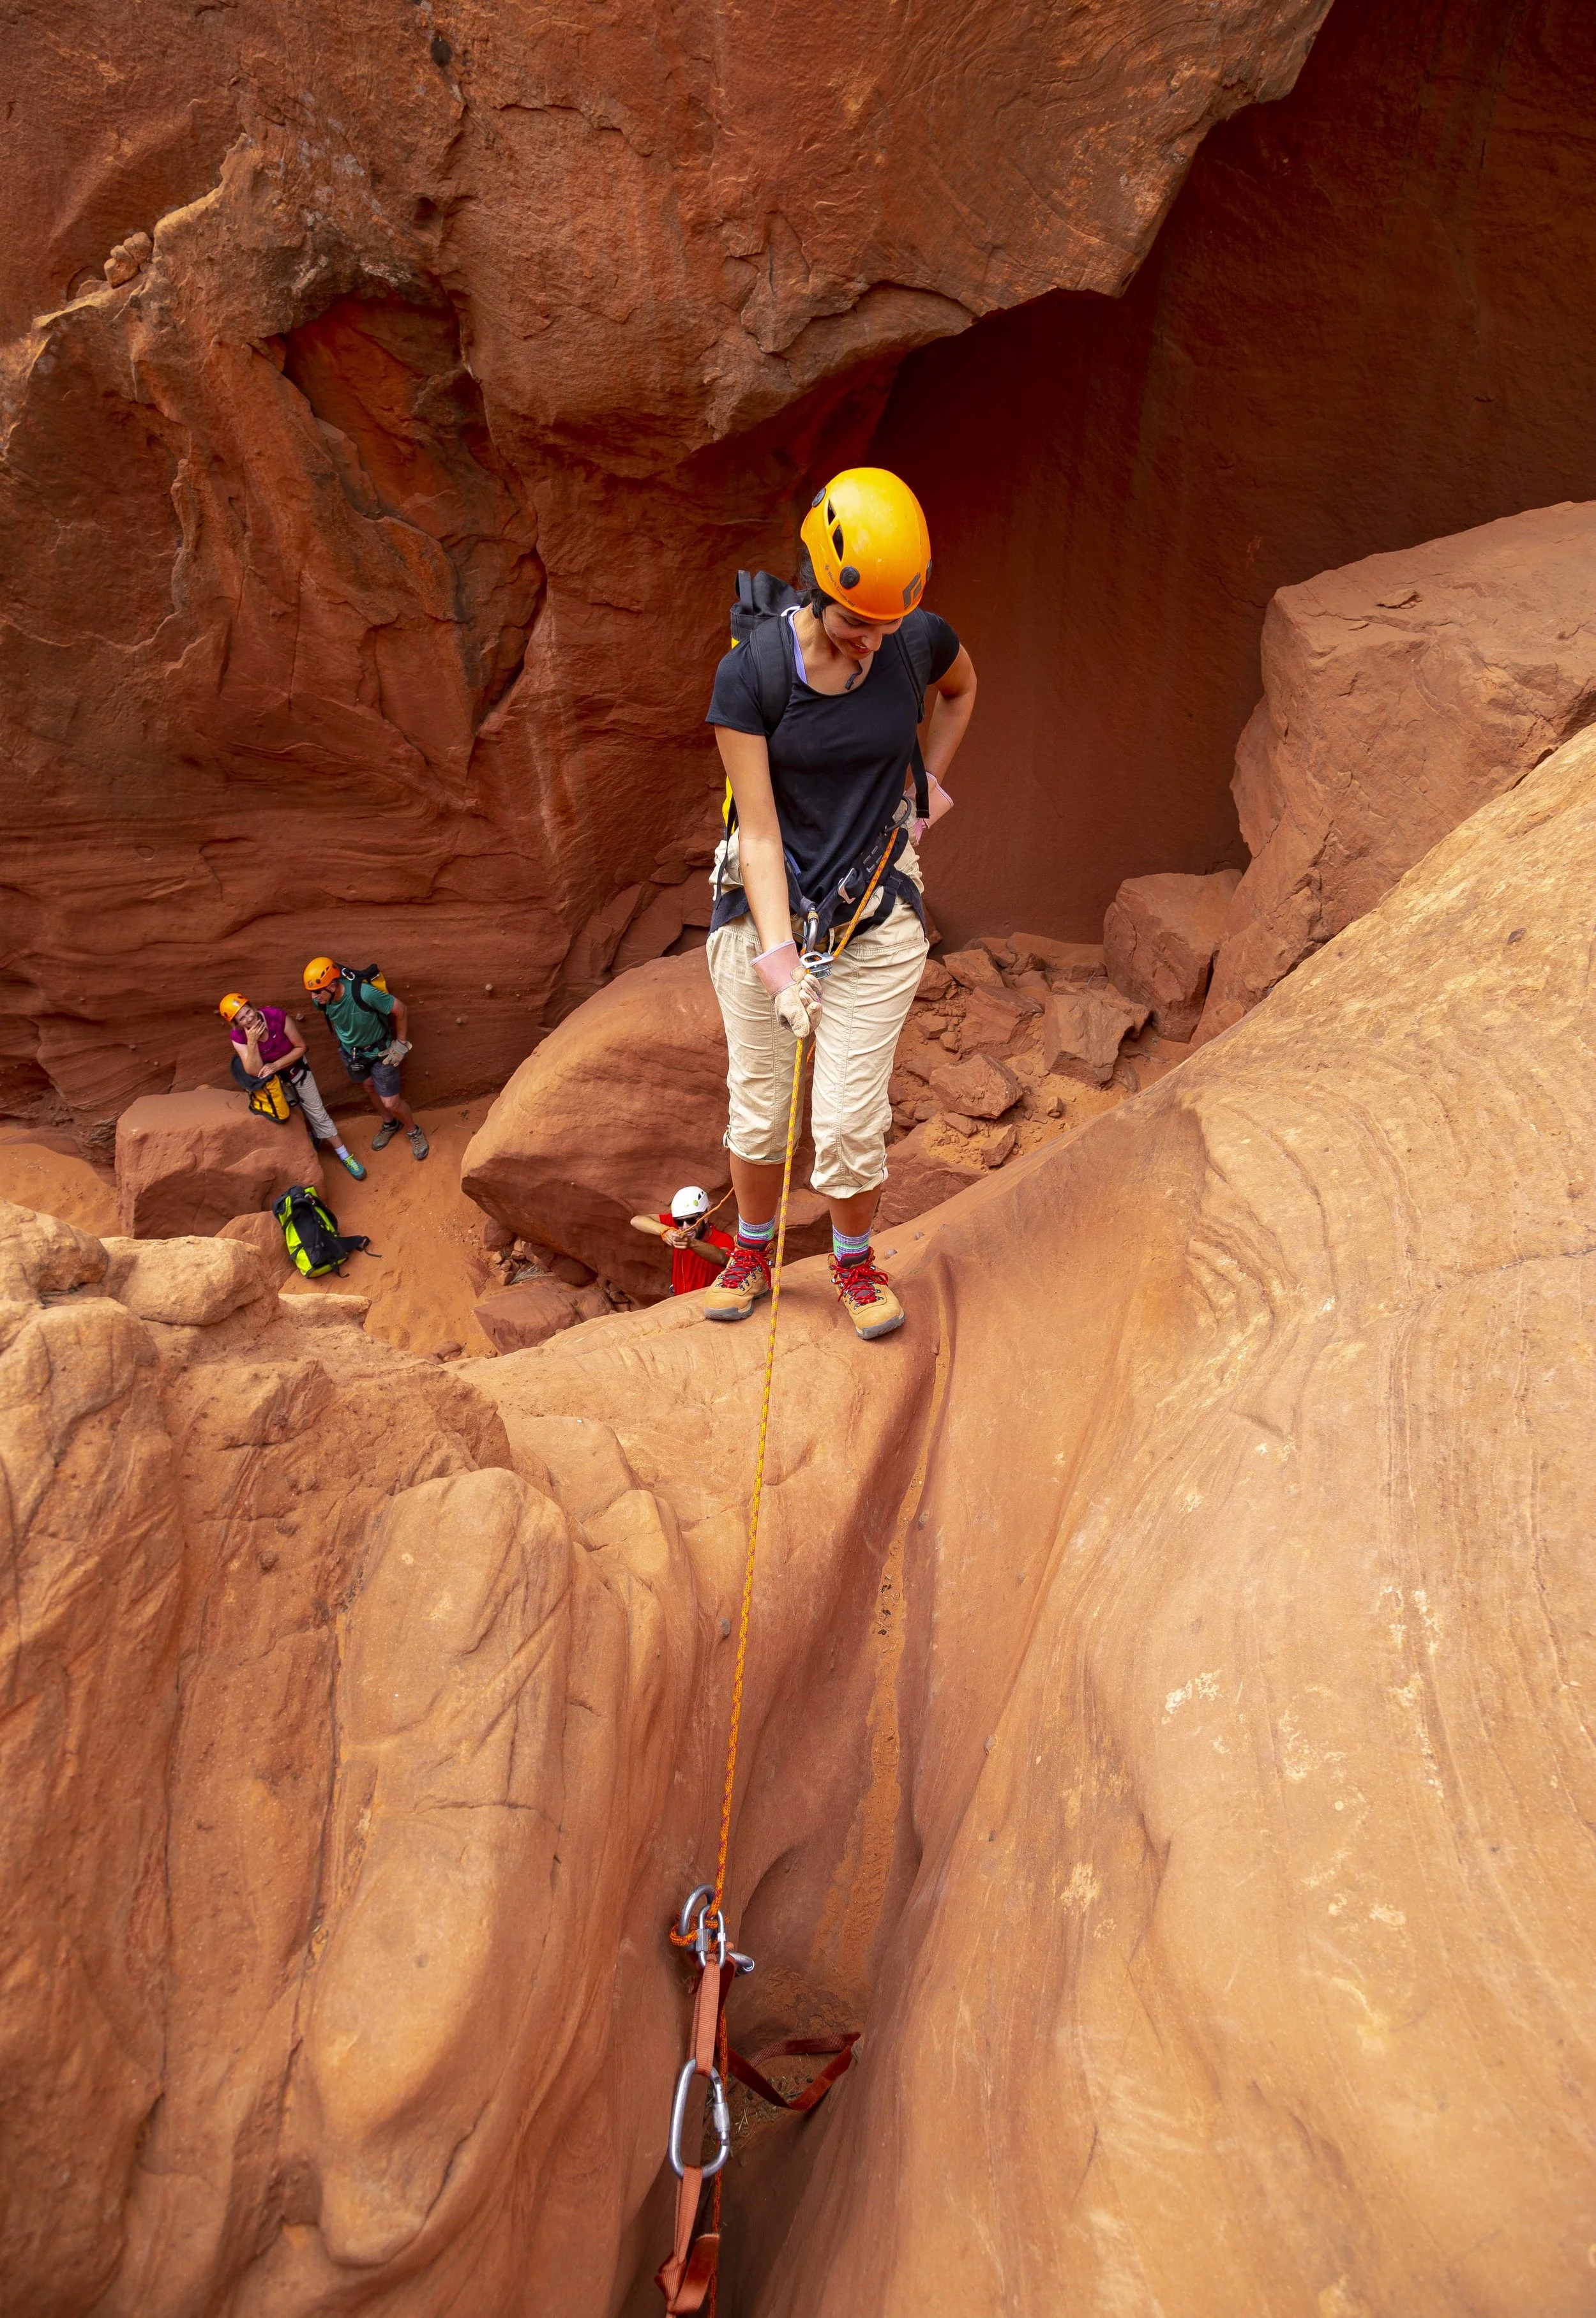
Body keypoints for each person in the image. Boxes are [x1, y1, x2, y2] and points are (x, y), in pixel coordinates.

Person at [702, 465, 977, 1341]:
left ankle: (854, 1261)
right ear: (818, 590)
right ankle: (753, 1249)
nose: (873, 642)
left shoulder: (915, 641)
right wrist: (781, 962)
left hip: (874, 911)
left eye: (886, 625)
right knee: (761, 1099)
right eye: (859, 622)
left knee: (850, 1116)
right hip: (764, 904)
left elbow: (963, 688)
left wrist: (925, 788)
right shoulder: (751, 677)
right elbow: (758, 835)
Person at [218, 992, 366, 1179]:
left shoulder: (275, 1017)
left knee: (317, 1113)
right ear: (237, 1024)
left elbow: (301, 1047)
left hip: (296, 1070)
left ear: (252, 1006)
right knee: (294, 1113)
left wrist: (276, 1065)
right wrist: (253, 1042)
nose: (249, 1018)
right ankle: (312, 1139)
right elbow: (253, 1070)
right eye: (242, 1018)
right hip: (276, 1082)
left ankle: (345, 1155)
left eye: (248, 1012)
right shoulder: (239, 1037)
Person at [302, 959, 428, 1161]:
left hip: (380, 1052)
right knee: (369, 1087)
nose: (314, 997)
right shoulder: (322, 1000)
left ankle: (414, 1131)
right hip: (352, 1053)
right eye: (312, 992)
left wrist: (401, 1043)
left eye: (317, 992)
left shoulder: (364, 994)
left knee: (391, 1102)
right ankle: (390, 1124)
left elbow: (400, 1009)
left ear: (333, 986)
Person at [629, 1185, 735, 1295]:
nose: (685, 1227)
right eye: (679, 1222)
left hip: (705, 1303)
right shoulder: (676, 1227)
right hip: (679, 1301)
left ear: (706, 1216)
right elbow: (636, 1221)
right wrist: (665, 1230)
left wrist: (691, 1243)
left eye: (691, 1220)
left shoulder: (723, 1239)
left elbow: (722, 1257)